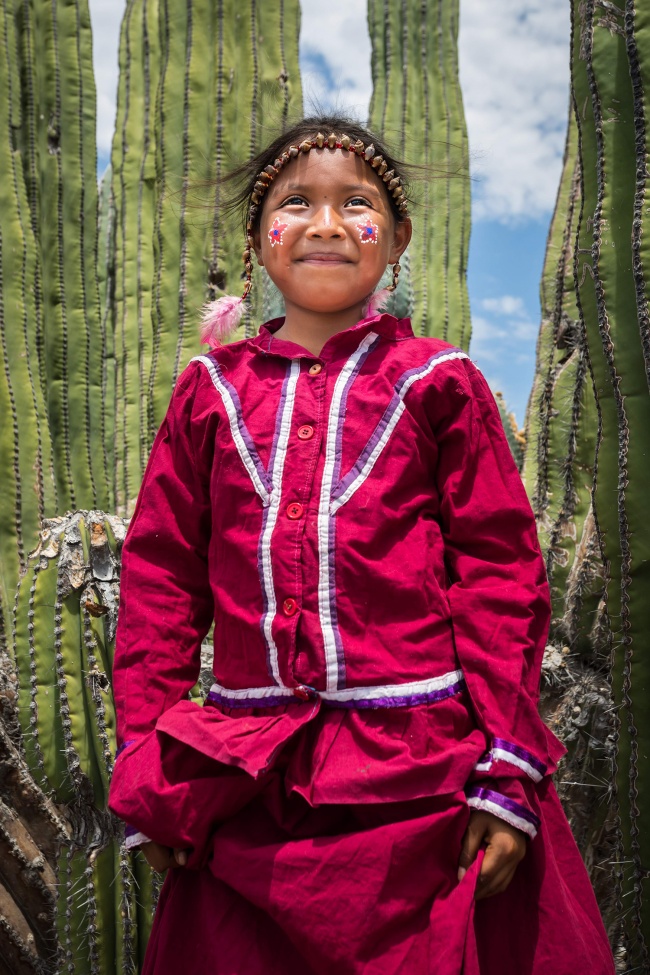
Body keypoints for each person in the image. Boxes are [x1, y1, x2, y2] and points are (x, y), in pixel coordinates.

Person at [108, 115, 615, 975]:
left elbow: (498, 576)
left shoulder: (437, 383)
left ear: (398, 239)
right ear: (258, 241)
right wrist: (150, 771)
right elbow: (161, 582)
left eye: (359, 204)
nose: (328, 223)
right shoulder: (207, 394)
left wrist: (506, 771)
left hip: (423, 789)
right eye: (295, 202)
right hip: (244, 793)